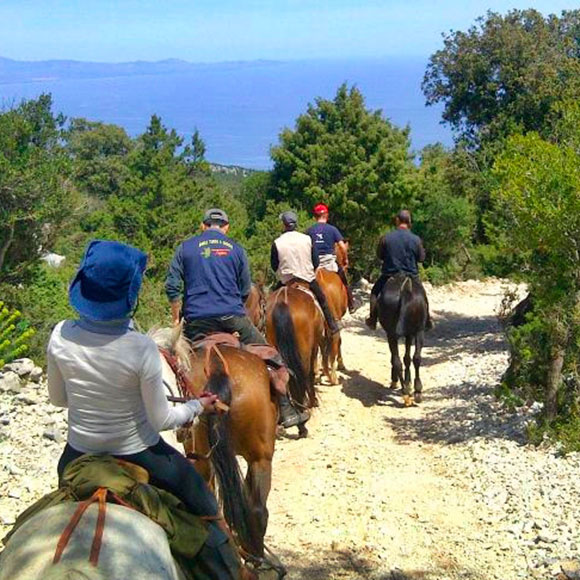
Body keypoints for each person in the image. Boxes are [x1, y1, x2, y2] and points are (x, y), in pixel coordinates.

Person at [46, 239, 240, 577]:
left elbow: (58, 399)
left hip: (77, 454)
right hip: (140, 453)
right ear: (130, 296)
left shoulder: (60, 334)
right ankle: (231, 569)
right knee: (207, 508)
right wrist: (198, 405)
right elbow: (162, 418)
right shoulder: (140, 348)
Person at [166, 208, 308, 429]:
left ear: (203, 226)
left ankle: (172, 414)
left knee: (172, 362)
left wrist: (177, 319)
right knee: (271, 355)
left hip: (195, 321)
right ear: (226, 227)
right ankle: (286, 406)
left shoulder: (185, 248)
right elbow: (244, 290)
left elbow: (172, 287)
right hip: (232, 317)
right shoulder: (237, 249)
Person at [271, 210, 340, 335]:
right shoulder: (306, 239)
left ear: (283, 225)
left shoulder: (277, 242)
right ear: (295, 224)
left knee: (268, 303)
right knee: (322, 300)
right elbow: (316, 262)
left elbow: (274, 266)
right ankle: (332, 325)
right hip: (307, 279)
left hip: (286, 280)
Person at [365, 209, 433, 330]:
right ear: (409, 221)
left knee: (375, 292)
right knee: (422, 294)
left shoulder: (386, 238)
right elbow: (421, 258)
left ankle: (372, 319)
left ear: (397, 220)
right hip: (411, 275)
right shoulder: (416, 239)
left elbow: (380, 255)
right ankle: (427, 319)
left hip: (389, 275)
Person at [306, 202, 355, 312]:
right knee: (343, 279)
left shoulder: (309, 231)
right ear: (326, 215)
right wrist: (346, 259)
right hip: (329, 262)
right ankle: (351, 304)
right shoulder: (332, 229)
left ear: (315, 216)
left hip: (314, 264)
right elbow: (342, 246)